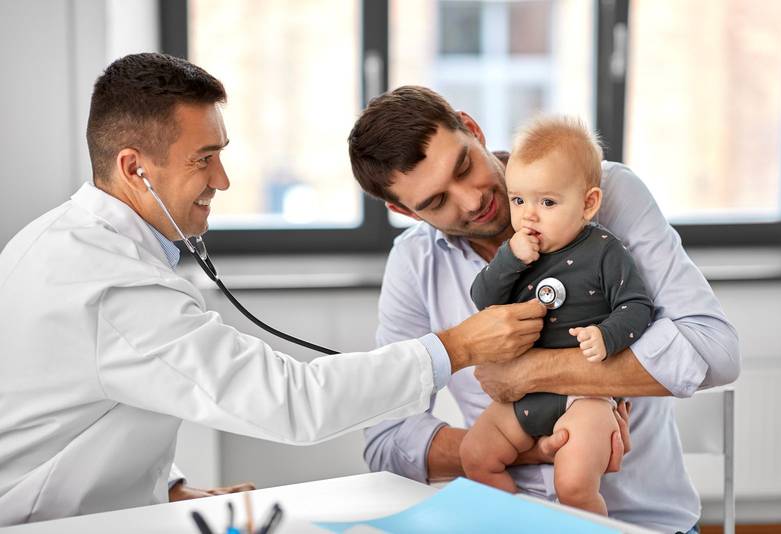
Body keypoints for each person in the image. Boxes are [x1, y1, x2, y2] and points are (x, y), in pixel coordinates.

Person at [0, 54, 545, 526]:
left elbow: (82, 408)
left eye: (220, 153)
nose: (222, 180)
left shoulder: (61, 244)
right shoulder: (111, 287)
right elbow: (292, 402)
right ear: (133, 169)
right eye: (203, 159)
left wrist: (168, 487)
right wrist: (457, 348)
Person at [348, 86, 740, 533]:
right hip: (511, 523)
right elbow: (386, 440)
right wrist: (517, 449)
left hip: (640, 524)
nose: (472, 200)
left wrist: (531, 373)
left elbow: (715, 349)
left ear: (472, 129)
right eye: (437, 201)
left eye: (464, 166)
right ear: (405, 211)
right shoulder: (415, 262)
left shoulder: (604, 193)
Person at [463, 116, 654, 515]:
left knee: (574, 484)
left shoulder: (604, 251)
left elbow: (637, 306)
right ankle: (518, 523)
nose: (528, 216)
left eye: (547, 202)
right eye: (518, 200)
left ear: (588, 203)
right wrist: (509, 259)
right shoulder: (516, 255)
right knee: (475, 456)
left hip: (585, 396)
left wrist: (607, 335)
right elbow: (483, 298)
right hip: (525, 397)